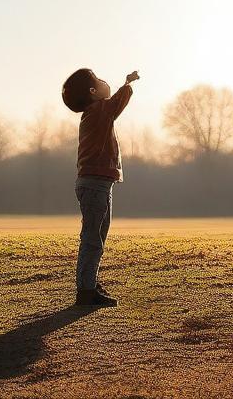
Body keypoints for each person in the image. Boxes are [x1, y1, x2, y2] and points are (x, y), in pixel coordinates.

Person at [61, 67, 140, 306]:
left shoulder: (94, 114)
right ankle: (86, 291)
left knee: (96, 237)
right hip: (95, 185)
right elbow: (117, 103)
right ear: (94, 92)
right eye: (99, 80)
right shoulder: (98, 111)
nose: (105, 82)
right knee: (93, 239)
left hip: (96, 184)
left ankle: (90, 284)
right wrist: (127, 84)